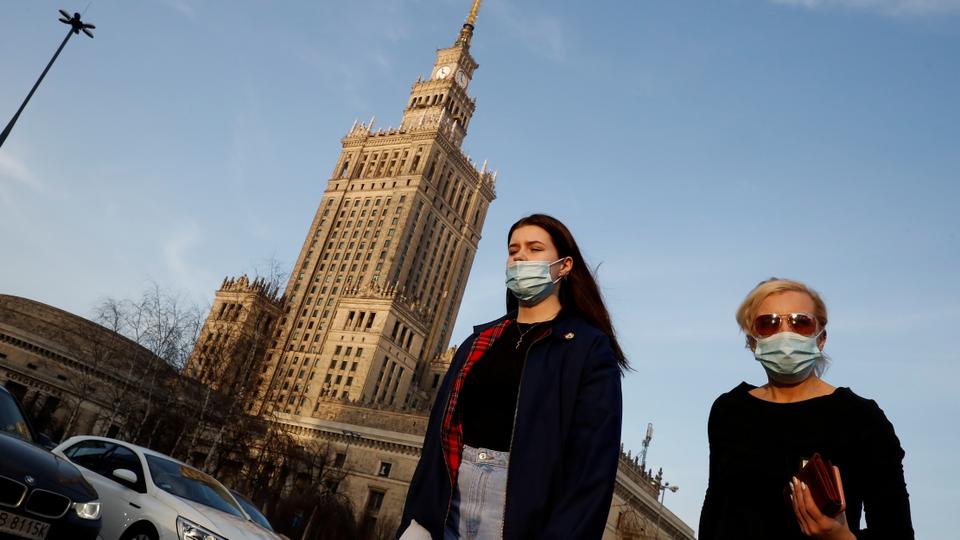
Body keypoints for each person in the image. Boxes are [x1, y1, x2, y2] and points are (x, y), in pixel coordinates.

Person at [397, 214, 626, 540]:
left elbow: (591, 466)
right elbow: (438, 438)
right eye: (513, 249)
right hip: (451, 506)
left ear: (563, 266)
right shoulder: (478, 342)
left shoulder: (587, 349)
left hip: (522, 515)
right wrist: (418, 518)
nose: (520, 256)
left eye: (534, 248)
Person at [698, 278, 914, 539]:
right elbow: (714, 512)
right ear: (753, 341)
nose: (785, 334)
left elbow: (897, 531)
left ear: (820, 338)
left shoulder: (862, 417)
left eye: (800, 322)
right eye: (769, 323)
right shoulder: (729, 410)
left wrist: (838, 537)